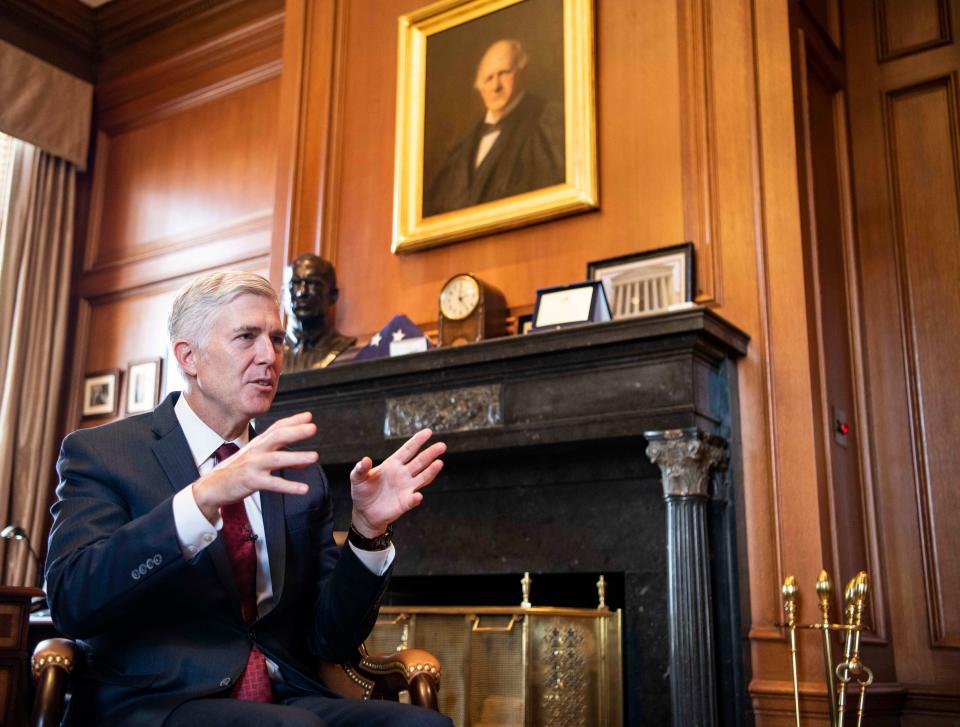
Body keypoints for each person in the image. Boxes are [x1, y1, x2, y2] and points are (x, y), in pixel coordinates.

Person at [44, 271, 452, 727]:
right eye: (246, 337)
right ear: (188, 357)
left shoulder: (297, 472)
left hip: (286, 695)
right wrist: (199, 501)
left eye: (276, 340)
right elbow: (70, 599)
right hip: (157, 703)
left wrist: (367, 533)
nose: (270, 357)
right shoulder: (105, 454)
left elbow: (330, 640)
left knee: (424, 725)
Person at [423, 38, 565, 217]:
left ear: (523, 73)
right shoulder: (463, 147)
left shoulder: (549, 120)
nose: (495, 86)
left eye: (504, 73)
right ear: (480, 87)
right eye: (488, 78)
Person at [284, 255, 357, 372]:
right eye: (295, 283)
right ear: (283, 294)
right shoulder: (269, 352)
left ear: (333, 295)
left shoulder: (345, 348)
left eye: (312, 283)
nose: (301, 293)